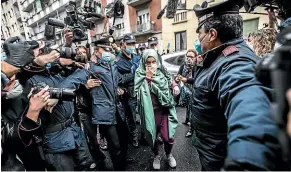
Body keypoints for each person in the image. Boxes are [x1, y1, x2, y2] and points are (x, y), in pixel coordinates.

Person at [192, 0, 283, 170]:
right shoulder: (218, 57)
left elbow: (251, 108)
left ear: (212, 34)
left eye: (200, 35)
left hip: (218, 161)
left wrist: (247, 162)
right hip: (210, 151)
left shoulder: (236, 62)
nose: (198, 41)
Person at [59, 36, 133, 170]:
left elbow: (121, 77)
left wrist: (123, 87)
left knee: (124, 139)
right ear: (97, 52)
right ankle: (119, 167)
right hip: (104, 113)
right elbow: (71, 82)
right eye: (105, 49)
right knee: (114, 145)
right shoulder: (91, 68)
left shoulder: (112, 65)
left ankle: (123, 160)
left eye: (110, 49)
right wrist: (81, 86)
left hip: (118, 109)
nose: (108, 52)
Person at [1, 37, 60, 171]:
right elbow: (13, 139)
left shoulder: (20, 82)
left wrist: (40, 106)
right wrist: (33, 112)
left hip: (33, 139)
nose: (12, 80)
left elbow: (21, 76)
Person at [134, 49, 180, 170]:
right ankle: (156, 155)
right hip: (150, 113)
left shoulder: (162, 71)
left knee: (168, 137)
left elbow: (170, 79)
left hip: (164, 110)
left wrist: (174, 85)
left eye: (153, 62)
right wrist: (148, 79)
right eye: (148, 62)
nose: (151, 65)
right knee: (152, 136)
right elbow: (137, 92)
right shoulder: (140, 73)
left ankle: (169, 154)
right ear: (143, 62)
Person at [116, 34, 140, 148]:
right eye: (129, 44)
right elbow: (119, 79)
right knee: (131, 116)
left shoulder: (137, 57)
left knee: (145, 114)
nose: (132, 46)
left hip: (140, 91)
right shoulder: (118, 61)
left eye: (133, 44)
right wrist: (134, 74)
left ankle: (146, 135)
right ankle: (134, 136)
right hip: (128, 93)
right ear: (123, 44)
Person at [175, 49, 198, 137]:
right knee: (188, 106)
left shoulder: (197, 67)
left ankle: (191, 129)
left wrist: (186, 79)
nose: (189, 59)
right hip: (186, 89)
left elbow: (197, 80)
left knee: (192, 109)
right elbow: (178, 75)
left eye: (191, 57)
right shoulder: (183, 66)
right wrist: (177, 78)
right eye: (187, 56)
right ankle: (187, 120)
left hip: (195, 90)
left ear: (195, 57)